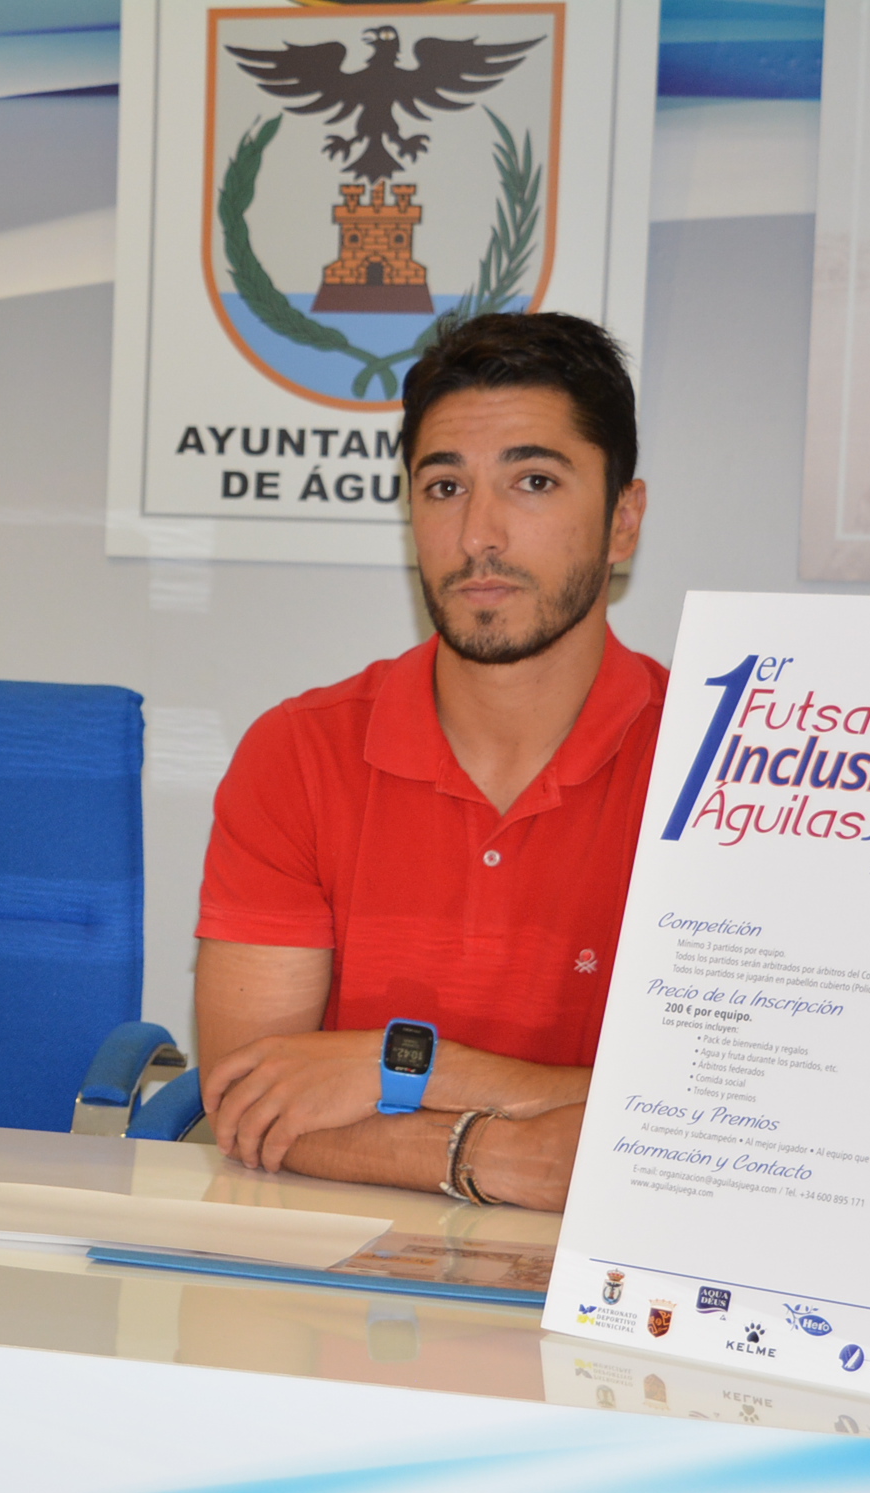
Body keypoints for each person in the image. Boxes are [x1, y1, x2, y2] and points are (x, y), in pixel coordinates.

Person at [192, 312, 662, 1212]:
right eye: (444, 487)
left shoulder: (726, 775)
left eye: (532, 481)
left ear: (623, 521)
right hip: (328, 1298)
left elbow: (724, 1122)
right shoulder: (298, 753)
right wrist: (493, 1156)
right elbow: (250, 1104)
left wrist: (398, 1065)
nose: (480, 534)